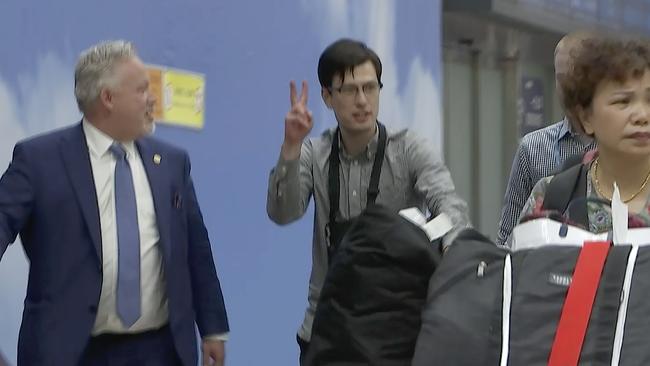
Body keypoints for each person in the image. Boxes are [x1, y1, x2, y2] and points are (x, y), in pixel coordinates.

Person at [0, 40, 228, 366]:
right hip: (70, 353)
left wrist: (213, 328)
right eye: (141, 90)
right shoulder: (38, 161)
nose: (152, 99)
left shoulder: (174, 164)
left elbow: (195, 249)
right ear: (108, 98)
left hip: (161, 351)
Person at [266, 38, 470, 364]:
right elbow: (282, 213)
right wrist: (290, 148)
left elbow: (451, 207)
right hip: (326, 328)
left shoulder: (409, 149)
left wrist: (446, 243)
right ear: (327, 96)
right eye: (349, 90)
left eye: (370, 88)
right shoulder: (313, 154)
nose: (362, 100)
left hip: (397, 327)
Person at [519, 36, 650, 233]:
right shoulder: (552, 196)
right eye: (623, 101)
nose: (642, 116)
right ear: (586, 118)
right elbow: (522, 261)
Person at [496, 31, 598, 246]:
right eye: (562, 79)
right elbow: (508, 238)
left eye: (578, 79)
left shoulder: (624, 150)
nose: (570, 90)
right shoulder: (532, 149)